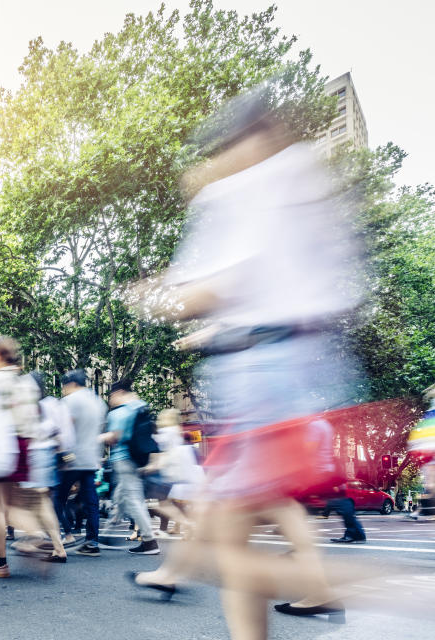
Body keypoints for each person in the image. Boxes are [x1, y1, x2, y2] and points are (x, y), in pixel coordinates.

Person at [127, 88, 364, 637]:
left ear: (240, 141)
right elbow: (290, 283)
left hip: (256, 371)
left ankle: (362, 587)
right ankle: (317, 587)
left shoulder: (236, 190)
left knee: (231, 543)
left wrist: (153, 296)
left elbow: (215, 288)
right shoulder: (307, 170)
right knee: (260, 510)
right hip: (309, 363)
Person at [0, 337, 68, 577]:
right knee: (16, 501)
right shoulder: (26, 383)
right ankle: (35, 535)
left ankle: (1, 564)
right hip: (24, 445)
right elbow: (32, 420)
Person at [100, 382, 161, 555]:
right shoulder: (139, 407)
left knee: (134, 500)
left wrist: (97, 438)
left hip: (123, 459)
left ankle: (150, 541)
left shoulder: (119, 413)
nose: (110, 400)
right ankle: (107, 533)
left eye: (110, 396)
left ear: (118, 393)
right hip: (136, 459)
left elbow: (114, 437)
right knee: (121, 496)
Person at [56, 369, 107, 556]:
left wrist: (61, 454)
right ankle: (92, 541)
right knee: (91, 502)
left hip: (71, 459)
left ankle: (59, 538)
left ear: (70, 384)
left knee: (57, 499)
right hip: (91, 459)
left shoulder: (70, 401)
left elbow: (64, 429)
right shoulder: (98, 402)